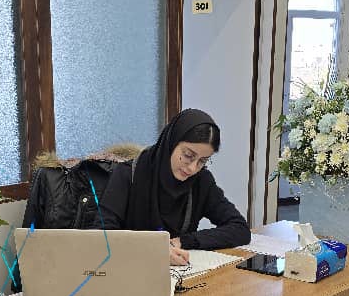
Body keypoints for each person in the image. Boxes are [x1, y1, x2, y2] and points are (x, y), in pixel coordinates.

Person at [99, 109, 251, 265]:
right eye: (188, 155)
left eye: (202, 161)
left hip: (180, 273)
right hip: (129, 269)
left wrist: (182, 241)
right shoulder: (128, 174)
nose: (192, 168)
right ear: (172, 142)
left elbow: (240, 229)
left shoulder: (201, 181)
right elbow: (101, 235)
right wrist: (153, 249)